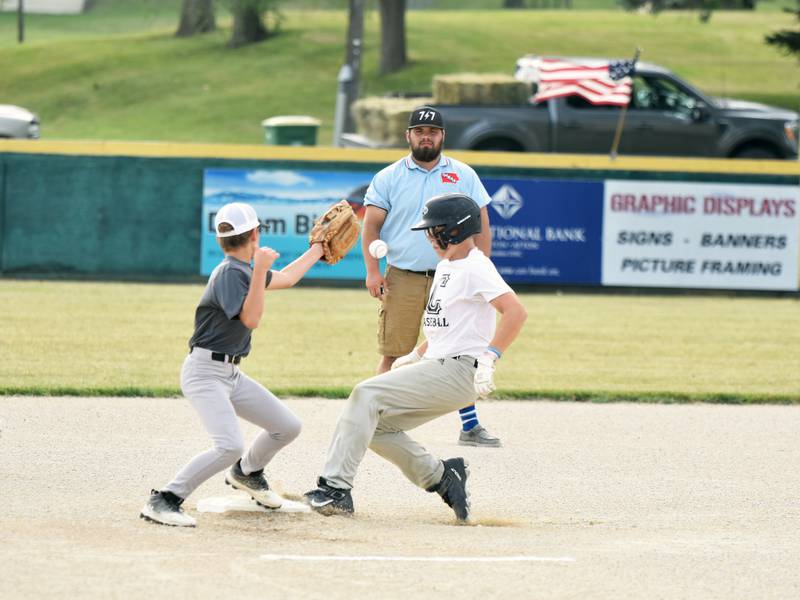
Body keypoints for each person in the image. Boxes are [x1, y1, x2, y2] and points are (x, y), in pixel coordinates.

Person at [305, 193, 527, 522]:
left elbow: (515, 312)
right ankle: (441, 477)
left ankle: (336, 489)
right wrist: (414, 353)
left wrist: (490, 357)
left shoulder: (476, 266)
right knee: (375, 426)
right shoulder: (448, 267)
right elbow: (445, 328)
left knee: (366, 393)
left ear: (455, 229)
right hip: (439, 364)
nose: (429, 236)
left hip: (460, 369)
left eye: (434, 229)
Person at [140, 202, 326, 527]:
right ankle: (165, 499)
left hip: (230, 374)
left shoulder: (242, 271)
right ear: (255, 234)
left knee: (287, 427)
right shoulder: (230, 273)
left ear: (220, 239)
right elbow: (251, 319)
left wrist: (318, 250)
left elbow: (287, 278)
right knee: (229, 445)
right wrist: (258, 270)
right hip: (204, 373)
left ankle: (248, 472)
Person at [361, 105, 502, 448]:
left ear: (442, 137)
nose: (427, 137)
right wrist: (372, 271)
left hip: (454, 275)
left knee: (458, 349)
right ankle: (372, 416)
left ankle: (470, 426)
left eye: (434, 132)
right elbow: (371, 224)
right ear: (408, 135)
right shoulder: (389, 176)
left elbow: (481, 222)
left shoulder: (463, 174)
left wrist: (480, 264)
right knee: (395, 349)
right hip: (404, 274)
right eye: (420, 132)